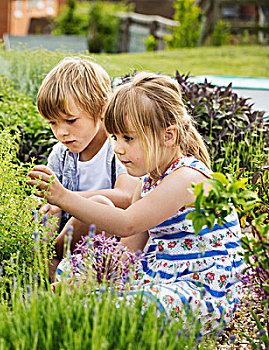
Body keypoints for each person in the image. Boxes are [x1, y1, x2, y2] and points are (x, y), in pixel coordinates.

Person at [28, 72, 245, 334]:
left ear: (168, 136)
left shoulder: (187, 177)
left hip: (199, 288)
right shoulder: (147, 183)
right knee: (73, 273)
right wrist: (93, 274)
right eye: (114, 138)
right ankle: (83, 312)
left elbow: (126, 224)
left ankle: (87, 316)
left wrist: (63, 197)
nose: (118, 149)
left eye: (128, 139)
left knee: (138, 306)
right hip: (159, 274)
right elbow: (128, 254)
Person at [35, 57, 139, 279]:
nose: (61, 132)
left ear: (101, 109)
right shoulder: (60, 154)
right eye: (53, 123)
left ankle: (50, 264)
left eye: (71, 121)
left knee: (99, 205)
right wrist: (50, 206)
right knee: (42, 213)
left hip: (115, 245)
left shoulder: (119, 147)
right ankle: (43, 263)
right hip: (70, 242)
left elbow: (128, 196)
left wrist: (65, 198)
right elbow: (52, 206)